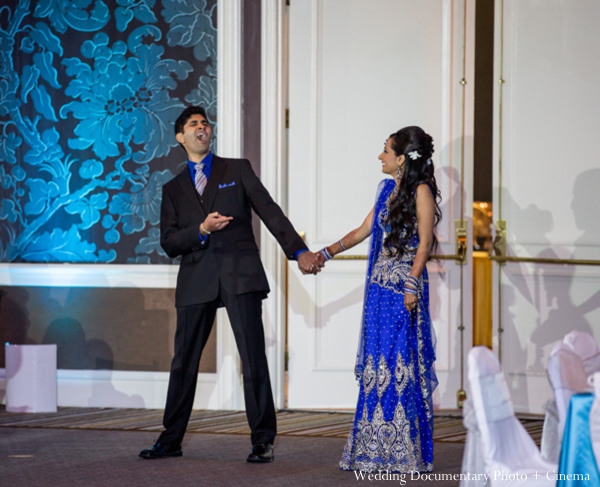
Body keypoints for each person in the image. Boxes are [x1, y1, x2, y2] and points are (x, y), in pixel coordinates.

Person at [139, 106, 321, 463]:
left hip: (240, 275)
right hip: (196, 280)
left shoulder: (236, 169)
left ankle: (263, 439)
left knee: (253, 358)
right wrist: (202, 230)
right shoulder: (173, 188)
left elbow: (270, 210)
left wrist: (297, 250)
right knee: (184, 362)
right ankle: (170, 439)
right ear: (181, 137)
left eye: (205, 123)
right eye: (193, 124)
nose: (202, 127)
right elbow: (170, 242)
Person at [317, 126, 441, 473]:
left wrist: (412, 283)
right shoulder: (387, 190)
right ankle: (373, 447)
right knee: (377, 366)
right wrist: (325, 254)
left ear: (402, 158)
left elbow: (426, 241)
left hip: (403, 292)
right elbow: (362, 231)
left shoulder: (421, 191)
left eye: (386, 151)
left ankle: (401, 450)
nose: (380, 156)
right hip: (379, 292)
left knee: (399, 364)